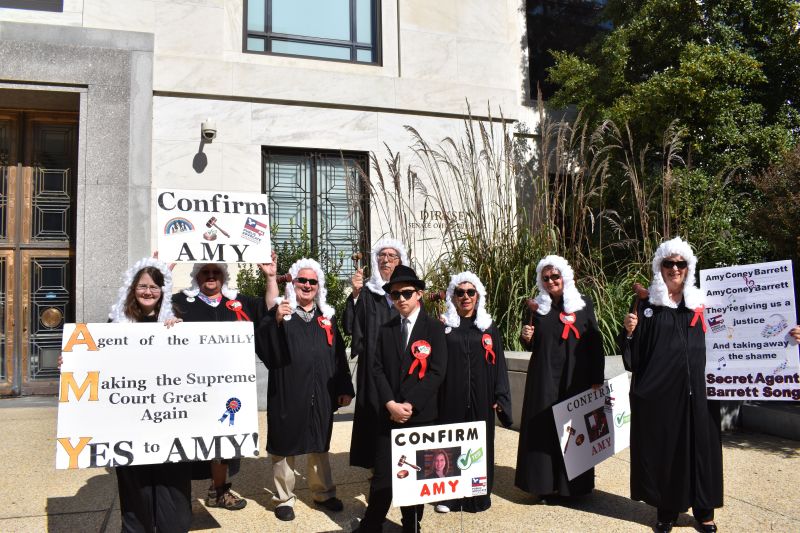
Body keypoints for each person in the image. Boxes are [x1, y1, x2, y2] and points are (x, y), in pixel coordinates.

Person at [620, 237, 722, 533]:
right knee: (668, 451)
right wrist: (629, 333)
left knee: (702, 450)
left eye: (680, 263)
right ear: (659, 267)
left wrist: (784, 337)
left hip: (701, 394)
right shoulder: (647, 305)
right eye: (669, 263)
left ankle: (704, 511)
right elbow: (634, 358)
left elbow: (738, 334)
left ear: (689, 268)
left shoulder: (703, 303)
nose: (675, 269)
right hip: (663, 396)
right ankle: (667, 510)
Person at [172, 258, 278, 511]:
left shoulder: (238, 303)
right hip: (191, 386)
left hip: (229, 387)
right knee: (187, 440)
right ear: (197, 277)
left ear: (223, 276)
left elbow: (271, 309)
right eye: (205, 272)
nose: (211, 276)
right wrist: (163, 272)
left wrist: (271, 277)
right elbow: (152, 306)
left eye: (215, 272)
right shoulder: (180, 303)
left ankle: (218, 491)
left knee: (223, 441)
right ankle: (177, 498)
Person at [257, 258, 355, 522]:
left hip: (320, 391)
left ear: (318, 285)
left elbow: (338, 356)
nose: (307, 285)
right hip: (288, 390)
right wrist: (275, 318)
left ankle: (323, 493)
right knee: (284, 443)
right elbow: (265, 338)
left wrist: (344, 386)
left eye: (312, 281)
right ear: (294, 283)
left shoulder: (326, 318)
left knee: (319, 442)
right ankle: (284, 498)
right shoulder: (282, 314)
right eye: (302, 280)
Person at [355, 265, 448, 533]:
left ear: (419, 294)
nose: (401, 299)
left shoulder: (434, 328)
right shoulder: (386, 329)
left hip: (420, 416)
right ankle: (371, 525)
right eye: (395, 295)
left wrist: (411, 404)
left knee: (415, 478)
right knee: (384, 476)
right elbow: (376, 368)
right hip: (390, 415)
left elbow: (437, 371)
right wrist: (390, 404)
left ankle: (412, 526)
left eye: (407, 293)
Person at [107, 257, 191, 532]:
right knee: (136, 487)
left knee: (172, 485)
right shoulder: (116, 322)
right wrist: (71, 361)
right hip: (131, 421)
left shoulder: (175, 320)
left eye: (154, 287)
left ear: (162, 291)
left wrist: (181, 335)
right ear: (133, 289)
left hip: (170, 420)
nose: (148, 292)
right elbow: (98, 359)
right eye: (143, 286)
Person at [515, 255, 605, 502]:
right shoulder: (537, 308)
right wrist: (526, 336)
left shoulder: (583, 303)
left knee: (573, 430)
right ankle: (544, 486)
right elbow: (531, 343)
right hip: (544, 378)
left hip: (575, 378)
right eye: (546, 278)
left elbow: (595, 341)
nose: (551, 281)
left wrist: (597, 377)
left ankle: (572, 489)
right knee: (545, 430)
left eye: (555, 276)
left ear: (564, 276)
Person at [436, 271, 512, 513]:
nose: (466, 297)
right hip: (451, 397)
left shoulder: (489, 328)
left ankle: (477, 496)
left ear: (478, 296)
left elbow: (499, 364)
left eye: (470, 292)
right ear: (453, 296)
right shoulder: (444, 326)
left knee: (479, 445)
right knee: (450, 444)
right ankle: (448, 498)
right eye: (460, 292)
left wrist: (500, 397)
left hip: (482, 398)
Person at [347, 239, 410, 470]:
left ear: (400, 261)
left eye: (391, 256)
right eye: (381, 255)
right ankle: (377, 470)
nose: (385, 259)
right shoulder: (367, 293)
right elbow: (352, 325)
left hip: (403, 368)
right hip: (373, 370)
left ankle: (402, 466)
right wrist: (355, 294)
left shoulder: (407, 294)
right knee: (374, 417)